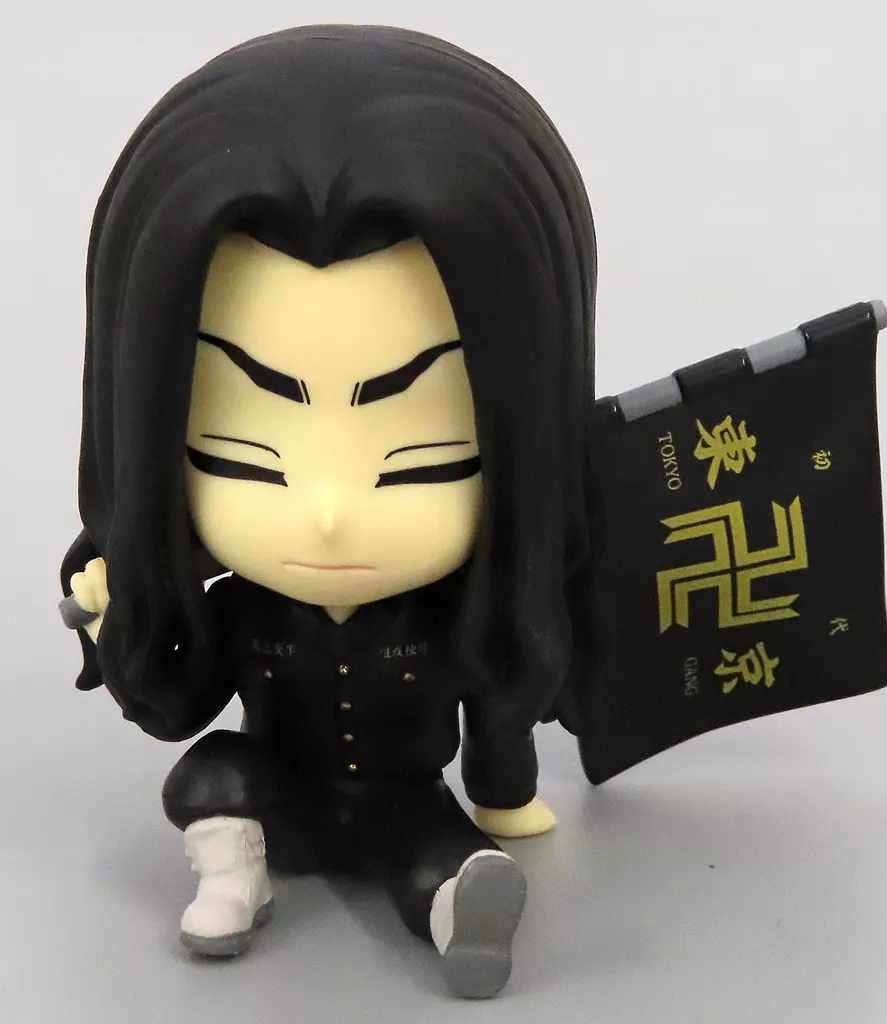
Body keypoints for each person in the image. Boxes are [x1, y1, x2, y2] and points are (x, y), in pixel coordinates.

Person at [60, 25, 600, 999]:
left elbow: (499, 695)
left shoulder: (450, 616)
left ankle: (457, 907)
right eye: (242, 459)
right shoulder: (242, 611)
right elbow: (177, 706)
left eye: (422, 462)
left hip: (404, 797)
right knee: (211, 777)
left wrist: (503, 796)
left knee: (437, 854)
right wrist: (114, 631)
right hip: (275, 794)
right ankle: (234, 879)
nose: (328, 512)